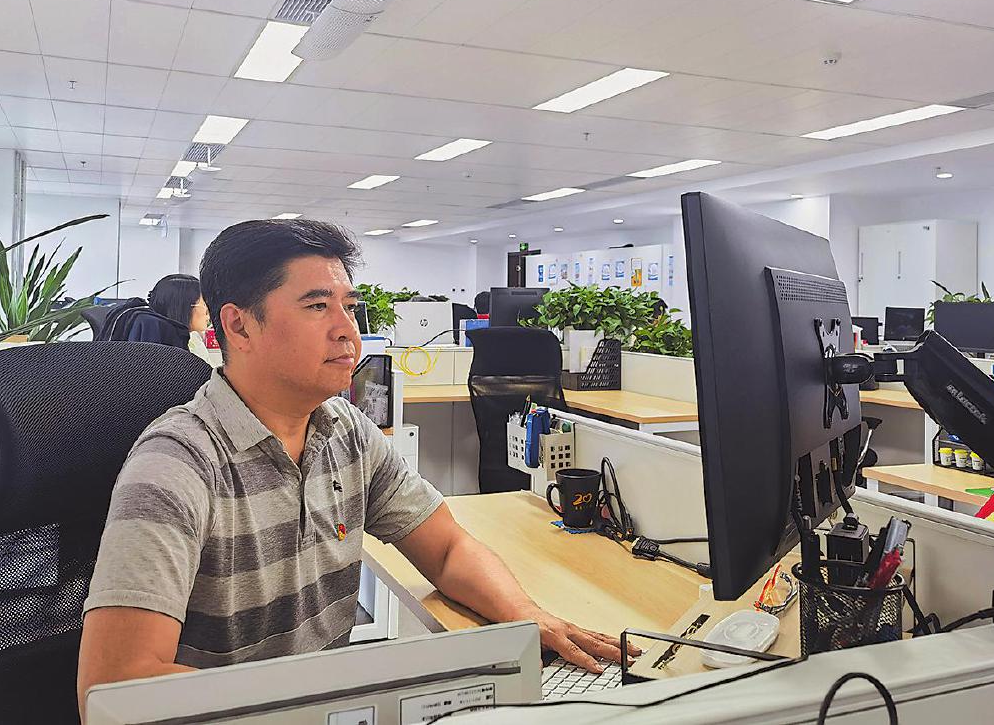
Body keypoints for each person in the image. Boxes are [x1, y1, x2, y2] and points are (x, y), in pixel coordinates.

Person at [77, 220, 631, 714]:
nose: (348, 330)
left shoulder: (346, 430)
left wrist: (526, 616)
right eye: (318, 306)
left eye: (348, 306)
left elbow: (446, 548)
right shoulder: (176, 465)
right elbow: (116, 688)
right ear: (239, 327)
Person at [126, 274, 210, 352]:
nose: (208, 311)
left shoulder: (194, 339)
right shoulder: (158, 343)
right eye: (204, 304)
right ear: (184, 307)